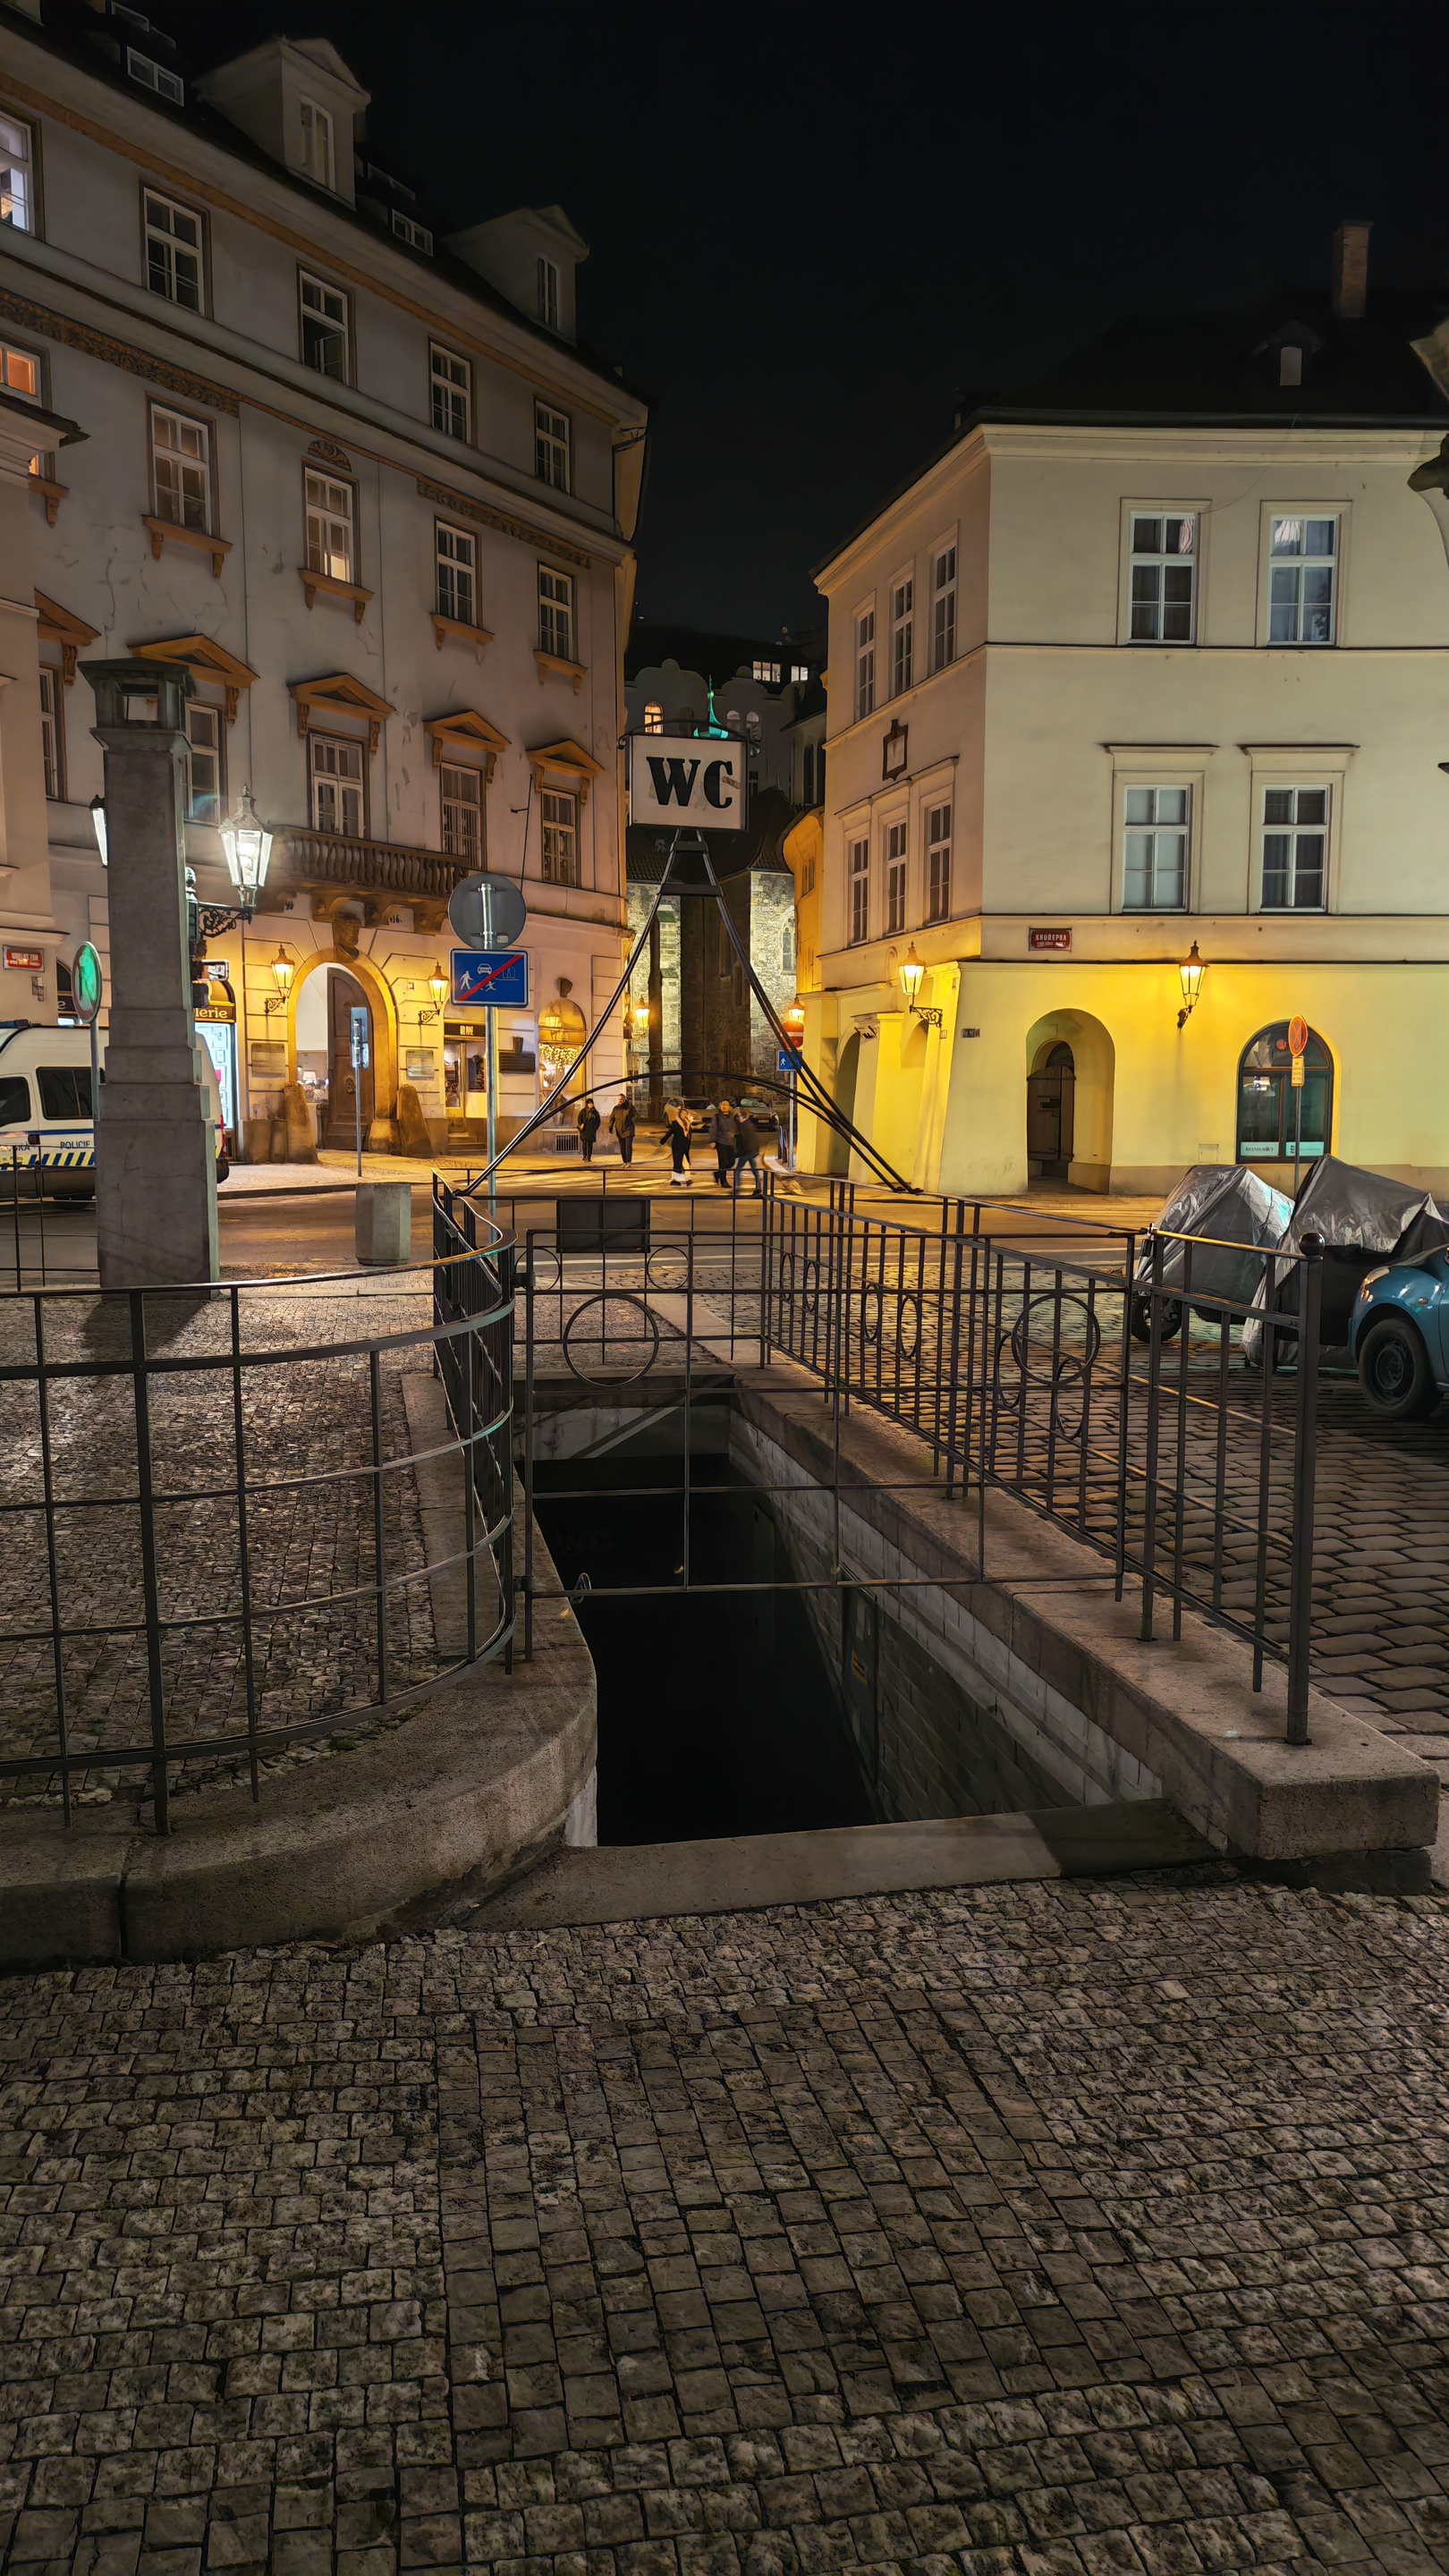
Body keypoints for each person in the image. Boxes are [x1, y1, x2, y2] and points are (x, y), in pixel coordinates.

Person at [732, 1103, 764, 1198]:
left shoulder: (744, 1126)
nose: (738, 1119)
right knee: (754, 1169)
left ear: (743, 1117)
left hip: (747, 1151)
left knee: (737, 1170)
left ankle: (736, 1188)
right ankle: (758, 1187)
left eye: (739, 1117)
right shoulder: (749, 1124)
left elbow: (743, 1139)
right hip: (752, 1150)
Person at [664, 1099, 693, 1185]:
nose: (684, 1115)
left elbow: (689, 1136)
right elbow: (670, 1133)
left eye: (686, 1114)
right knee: (678, 1163)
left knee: (685, 1163)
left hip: (685, 1146)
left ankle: (678, 1179)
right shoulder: (676, 1123)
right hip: (677, 1146)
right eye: (683, 1114)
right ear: (679, 1114)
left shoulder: (688, 1123)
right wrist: (662, 1141)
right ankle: (680, 1179)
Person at [707, 1099, 735, 1190]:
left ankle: (718, 1174)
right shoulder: (717, 1117)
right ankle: (723, 1181)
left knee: (731, 1162)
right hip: (721, 1142)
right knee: (723, 1162)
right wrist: (712, 1141)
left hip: (731, 1142)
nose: (725, 1106)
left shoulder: (732, 1117)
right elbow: (713, 1129)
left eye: (727, 1105)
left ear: (729, 1107)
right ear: (720, 1106)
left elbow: (736, 1128)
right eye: (723, 1105)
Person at [607, 1095, 636, 1165]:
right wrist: (610, 1127)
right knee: (622, 1147)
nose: (620, 1101)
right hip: (619, 1130)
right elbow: (612, 1118)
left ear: (624, 1099)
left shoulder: (629, 1107)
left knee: (628, 1146)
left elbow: (635, 1116)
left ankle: (628, 1162)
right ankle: (624, 1161)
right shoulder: (616, 1108)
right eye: (619, 1099)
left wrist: (631, 1118)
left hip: (629, 1130)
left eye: (621, 1099)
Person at [576, 1096, 600, 1163]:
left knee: (590, 1144)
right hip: (584, 1130)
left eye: (592, 1103)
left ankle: (589, 1157)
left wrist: (594, 1128)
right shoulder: (583, 1111)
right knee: (584, 1144)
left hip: (591, 1131)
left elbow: (598, 1122)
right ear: (587, 1104)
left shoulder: (595, 1112)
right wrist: (581, 1124)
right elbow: (579, 1119)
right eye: (589, 1103)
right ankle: (585, 1156)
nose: (591, 1105)